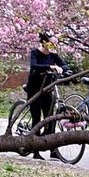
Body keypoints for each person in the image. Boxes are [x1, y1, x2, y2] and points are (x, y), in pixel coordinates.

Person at [26, 30, 67, 160]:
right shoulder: (35, 53)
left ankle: (53, 150)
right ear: (44, 43)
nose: (52, 47)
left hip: (48, 90)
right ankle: (35, 151)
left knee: (50, 120)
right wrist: (50, 67)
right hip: (35, 90)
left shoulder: (53, 55)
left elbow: (64, 65)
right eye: (50, 44)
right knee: (37, 119)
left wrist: (63, 69)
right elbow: (34, 65)